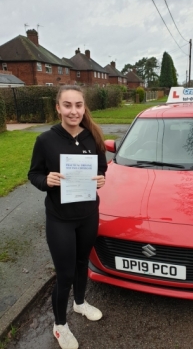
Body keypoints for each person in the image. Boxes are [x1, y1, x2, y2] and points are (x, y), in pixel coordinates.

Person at [28, 85, 108, 349]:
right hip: (60, 218)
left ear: (84, 107)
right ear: (58, 107)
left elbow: (102, 169)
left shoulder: (93, 136)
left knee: (82, 263)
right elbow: (34, 174)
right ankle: (60, 325)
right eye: (67, 105)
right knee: (64, 274)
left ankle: (80, 303)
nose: (73, 111)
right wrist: (46, 180)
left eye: (78, 105)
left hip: (88, 214)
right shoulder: (45, 141)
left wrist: (100, 180)